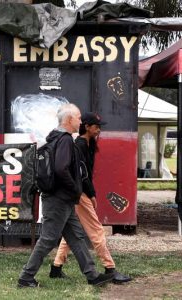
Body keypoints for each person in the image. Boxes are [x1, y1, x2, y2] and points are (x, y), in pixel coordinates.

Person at [18, 104, 115, 288]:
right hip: (59, 199)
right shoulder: (65, 140)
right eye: (78, 118)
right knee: (48, 239)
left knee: (76, 237)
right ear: (69, 119)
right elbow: (61, 169)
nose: (80, 121)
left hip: (61, 198)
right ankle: (26, 277)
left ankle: (92, 275)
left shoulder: (55, 138)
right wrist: (75, 189)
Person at [49, 112, 132, 284]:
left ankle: (56, 268)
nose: (99, 130)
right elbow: (82, 174)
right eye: (96, 127)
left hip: (79, 193)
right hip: (81, 194)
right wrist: (91, 194)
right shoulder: (79, 145)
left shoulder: (87, 144)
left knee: (71, 233)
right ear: (86, 127)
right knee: (96, 230)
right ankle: (110, 268)